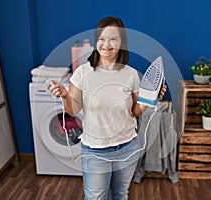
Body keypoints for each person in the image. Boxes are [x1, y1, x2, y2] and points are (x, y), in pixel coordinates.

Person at [47, 16, 167, 200]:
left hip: (127, 146)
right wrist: (64, 95)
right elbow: (72, 110)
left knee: (120, 194)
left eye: (113, 39)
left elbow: (135, 111)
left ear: (122, 42)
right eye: (102, 38)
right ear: (96, 42)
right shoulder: (83, 73)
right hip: (95, 150)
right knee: (95, 197)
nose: (106, 44)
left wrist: (150, 99)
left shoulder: (131, 75)